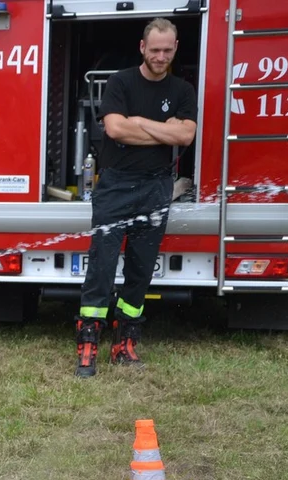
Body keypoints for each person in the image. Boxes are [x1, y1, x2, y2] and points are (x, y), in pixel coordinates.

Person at [75, 17, 197, 377]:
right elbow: (115, 129)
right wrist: (163, 130)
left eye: (167, 50)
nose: (160, 56)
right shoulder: (120, 81)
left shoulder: (182, 90)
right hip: (115, 185)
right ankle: (88, 346)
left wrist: (139, 123)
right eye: (154, 49)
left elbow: (186, 136)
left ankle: (124, 343)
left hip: (156, 186)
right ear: (143, 48)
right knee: (101, 265)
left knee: (141, 269)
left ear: (175, 49)